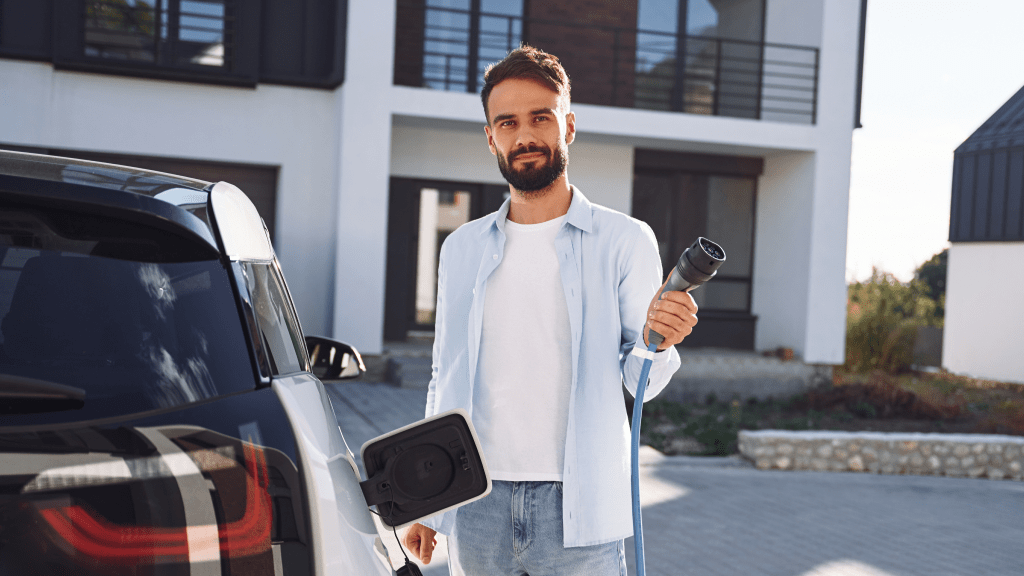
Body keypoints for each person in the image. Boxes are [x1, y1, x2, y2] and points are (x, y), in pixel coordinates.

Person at [402, 45, 698, 576]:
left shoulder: (624, 241)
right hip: (476, 502)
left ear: (569, 125)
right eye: (508, 122)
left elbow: (642, 382)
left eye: (541, 117)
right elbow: (443, 376)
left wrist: (663, 342)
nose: (525, 136)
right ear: (491, 137)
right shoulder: (461, 248)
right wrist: (430, 500)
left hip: (581, 509)